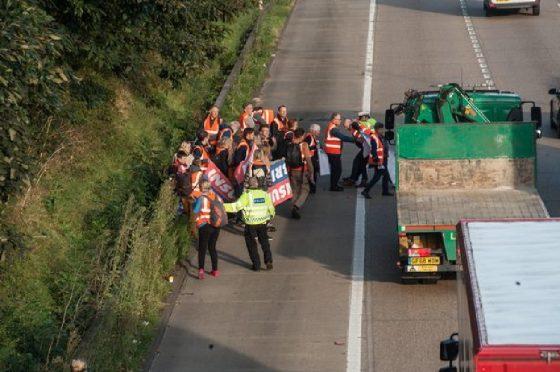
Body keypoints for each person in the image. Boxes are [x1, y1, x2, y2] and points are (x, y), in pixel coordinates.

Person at [224, 177, 276, 271]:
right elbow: (271, 208)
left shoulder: (247, 195)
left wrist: (221, 206)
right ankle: (268, 261)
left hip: (250, 224)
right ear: (257, 184)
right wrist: (270, 217)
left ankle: (256, 265)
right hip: (262, 223)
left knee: (251, 245)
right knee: (265, 243)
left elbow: (235, 207)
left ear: (248, 185)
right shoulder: (264, 194)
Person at [193, 179, 222, 279]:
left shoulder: (201, 198)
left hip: (204, 225)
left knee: (202, 249)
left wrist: (193, 202)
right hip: (215, 225)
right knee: (212, 247)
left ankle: (201, 270)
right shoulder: (216, 197)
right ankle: (215, 270)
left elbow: (195, 210)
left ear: (201, 187)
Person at [287, 128, 315, 219]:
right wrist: (311, 172)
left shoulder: (290, 144)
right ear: (302, 136)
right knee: (305, 189)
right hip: (302, 171)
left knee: (295, 190)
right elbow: (308, 159)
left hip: (292, 170)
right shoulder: (304, 145)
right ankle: (296, 206)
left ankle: (292, 207)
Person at [324, 112, 355, 191]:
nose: (340, 121)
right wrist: (355, 139)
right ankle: (334, 186)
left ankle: (334, 185)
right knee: (337, 170)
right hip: (333, 152)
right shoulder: (333, 129)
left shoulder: (332, 126)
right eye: (339, 119)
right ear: (334, 120)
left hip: (333, 151)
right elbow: (343, 137)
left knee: (335, 169)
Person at [361, 123, 394, 199]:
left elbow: (383, 146)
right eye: (381, 129)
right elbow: (373, 150)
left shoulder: (380, 136)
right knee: (377, 177)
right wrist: (377, 160)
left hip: (383, 159)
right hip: (378, 161)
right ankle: (366, 190)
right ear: (377, 129)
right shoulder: (374, 137)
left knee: (385, 175)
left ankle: (385, 191)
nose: (383, 130)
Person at [343, 120, 371, 188]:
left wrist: (355, 139)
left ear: (350, 124)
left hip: (367, 148)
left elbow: (362, 139)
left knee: (358, 162)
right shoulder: (355, 126)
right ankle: (354, 178)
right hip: (366, 147)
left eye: (347, 127)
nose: (346, 129)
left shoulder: (356, 127)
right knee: (360, 163)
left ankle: (355, 179)